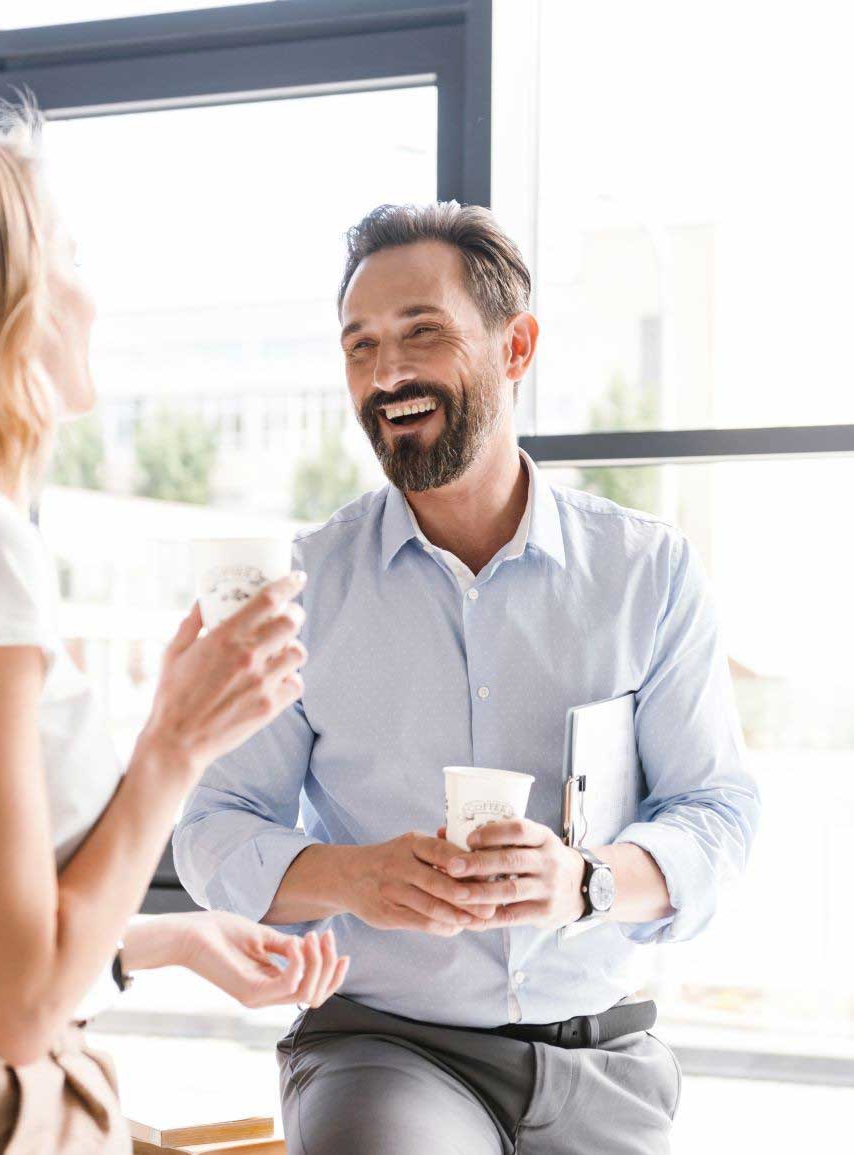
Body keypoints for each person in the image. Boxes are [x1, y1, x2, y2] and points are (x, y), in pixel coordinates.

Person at [0, 116, 349, 1155]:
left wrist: (174, 939)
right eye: (68, 257)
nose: (90, 292)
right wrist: (175, 745)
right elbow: (16, 1006)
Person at [173, 202, 760, 1155]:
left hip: (600, 1058)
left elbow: (717, 813)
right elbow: (211, 829)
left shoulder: (646, 572)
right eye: (359, 347)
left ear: (516, 345)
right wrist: (352, 877)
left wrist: (587, 882)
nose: (386, 375)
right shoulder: (304, 587)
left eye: (422, 335)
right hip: (385, 1047)